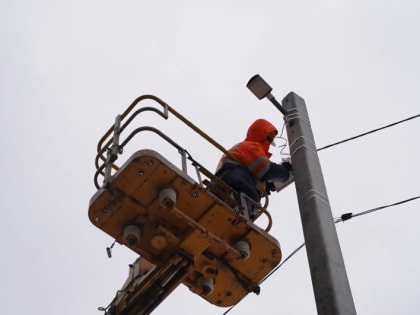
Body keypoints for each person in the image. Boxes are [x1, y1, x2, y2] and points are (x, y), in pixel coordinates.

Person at [215, 118, 292, 219]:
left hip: (230, 189)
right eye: (269, 139)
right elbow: (266, 170)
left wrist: (264, 186)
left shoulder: (246, 149)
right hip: (234, 189)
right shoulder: (251, 147)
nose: (269, 144)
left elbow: (256, 172)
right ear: (261, 136)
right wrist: (284, 171)